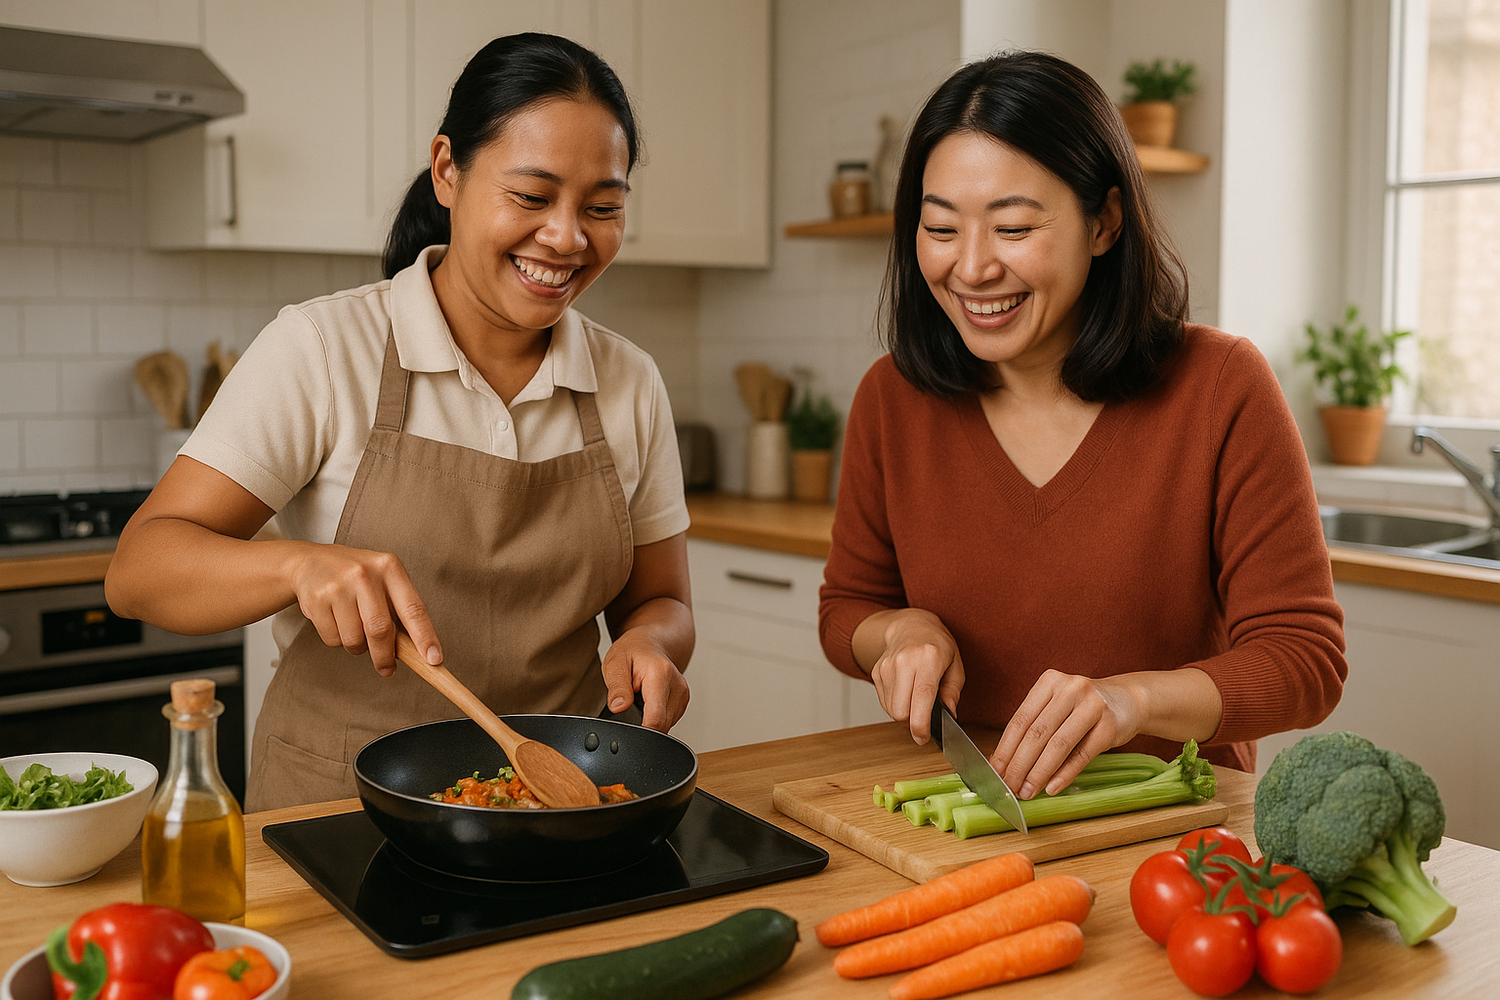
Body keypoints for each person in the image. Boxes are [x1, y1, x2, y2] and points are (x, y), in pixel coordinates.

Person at [105, 33, 694, 811]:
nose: (567, 237)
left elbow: (664, 601)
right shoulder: (323, 348)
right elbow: (138, 573)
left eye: (603, 207)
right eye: (531, 196)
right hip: (337, 808)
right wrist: (296, 567)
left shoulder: (629, 382)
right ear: (448, 170)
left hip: (561, 805)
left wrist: (650, 641)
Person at [818, 51, 1346, 802]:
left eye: (1012, 227)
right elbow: (847, 612)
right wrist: (900, 634)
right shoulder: (891, 398)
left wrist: (1132, 702)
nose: (970, 268)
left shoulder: (1221, 386)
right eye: (940, 229)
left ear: (1103, 223)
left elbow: (1305, 661)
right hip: (970, 810)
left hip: (1170, 826)